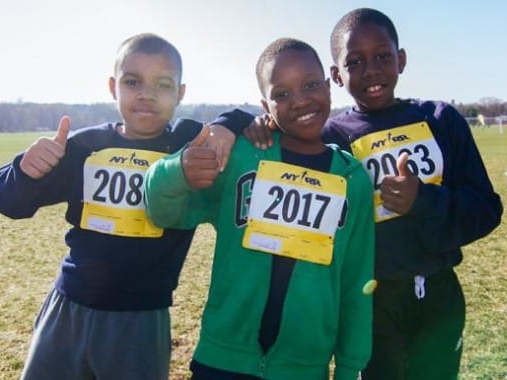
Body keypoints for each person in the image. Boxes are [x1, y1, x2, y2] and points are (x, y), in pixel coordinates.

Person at [216, 8, 503, 379]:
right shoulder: (329, 137)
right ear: (336, 75)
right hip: (369, 303)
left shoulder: (440, 119)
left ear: (401, 59)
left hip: (439, 295)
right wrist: (242, 122)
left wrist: (424, 201)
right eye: (355, 62)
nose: (372, 70)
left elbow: (486, 210)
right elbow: (279, 130)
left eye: (383, 56)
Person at [0, 33, 234, 380]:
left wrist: (228, 125)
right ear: (112, 86)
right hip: (68, 308)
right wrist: (24, 171)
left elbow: (240, 122)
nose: (146, 94)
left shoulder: (189, 143)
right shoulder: (85, 145)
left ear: (181, 93)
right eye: (132, 81)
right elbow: (7, 203)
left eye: (163, 84)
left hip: (141, 319)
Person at [144, 38, 375, 380]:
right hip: (222, 360)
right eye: (282, 94)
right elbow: (161, 211)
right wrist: (177, 169)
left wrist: (350, 366)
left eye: (311, 85)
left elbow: (357, 281)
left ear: (328, 85)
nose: (300, 100)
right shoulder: (240, 156)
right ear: (264, 104)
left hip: (303, 369)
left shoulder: (353, 180)